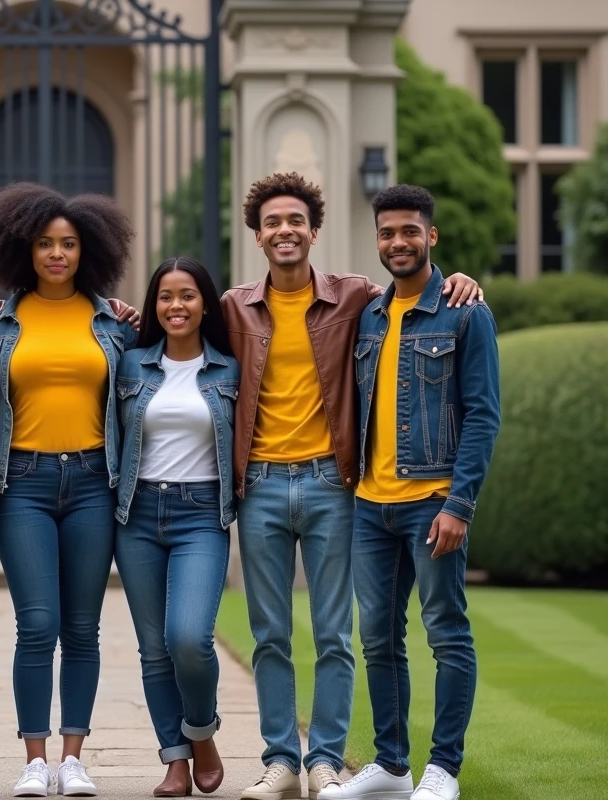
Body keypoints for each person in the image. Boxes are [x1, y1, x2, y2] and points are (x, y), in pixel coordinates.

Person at [221, 173, 483, 800]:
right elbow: (168, 318)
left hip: (333, 486)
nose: (285, 231)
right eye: (272, 223)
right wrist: (118, 311)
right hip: (260, 487)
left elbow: (424, 294)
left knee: (339, 634)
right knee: (272, 634)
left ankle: (327, 761)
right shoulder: (233, 307)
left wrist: (462, 278)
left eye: (295, 222)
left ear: (314, 231)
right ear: (257, 236)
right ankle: (283, 760)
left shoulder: (354, 298)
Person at [323, 185, 500, 800]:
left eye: (409, 231)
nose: (398, 242)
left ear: (432, 236)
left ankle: (443, 768)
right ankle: (392, 766)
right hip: (371, 507)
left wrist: (459, 503)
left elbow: (482, 414)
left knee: (446, 631)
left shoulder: (465, 311)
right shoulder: (369, 314)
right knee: (378, 636)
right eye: (387, 233)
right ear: (377, 240)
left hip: (433, 502)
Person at [0, 182, 137, 797]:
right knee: (37, 625)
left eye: (68, 244)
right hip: (26, 484)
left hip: (94, 481)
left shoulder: (114, 324)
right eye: (45, 244)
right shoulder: (0, 323)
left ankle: (74, 757)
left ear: (88, 249)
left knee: (84, 628)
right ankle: (35, 761)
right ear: (25, 249)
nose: (57, 254)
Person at [113, 257, 239, 798]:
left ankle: (201, 730)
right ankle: (175, 759)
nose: (176, 306)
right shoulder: (131, 363)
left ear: (205, 303)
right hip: (137, 513)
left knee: (188, 638)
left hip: (201, 516)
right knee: (153, 648)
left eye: (187, 295)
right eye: (165, 297)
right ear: (153, 306)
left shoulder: (230, 368)